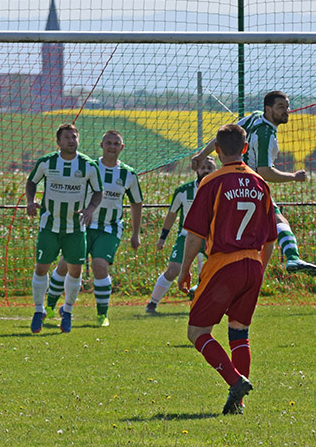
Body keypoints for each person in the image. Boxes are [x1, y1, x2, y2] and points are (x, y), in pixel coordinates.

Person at [178, 123, 277, 415]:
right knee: (239, 331)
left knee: (197, 332)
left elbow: (195, 234)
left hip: (224, 264)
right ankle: (238, 403)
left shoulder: (211, 182)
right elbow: (271, 239)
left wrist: (185, 270)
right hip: (253, 263)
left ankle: (235, 382)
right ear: (245, 148)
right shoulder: (261, 183)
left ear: (218, 150)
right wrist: (259, 269)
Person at [191, 90, 316, 276]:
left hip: (229, 179)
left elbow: (224, 136)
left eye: (287, 107)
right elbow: (264, 172)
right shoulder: (267, 136)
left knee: (221, 230)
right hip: (250, 184)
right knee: (276, 223)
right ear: (268, 109)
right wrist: (294, 176)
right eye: (280, 107)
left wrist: (201, 155)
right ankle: (289, 258)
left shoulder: (255, 117)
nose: (286, 111)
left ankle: (211, 274)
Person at [49, 130, 143, 327]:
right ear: (101, 145)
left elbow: (136, 203)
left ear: (121, 148)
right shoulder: (89, 167)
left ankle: (102, 314)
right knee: (65, 264)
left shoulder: (128, 174)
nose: (112, 147)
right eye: (108, 143)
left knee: (99, 265)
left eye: (116, 143)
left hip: (109, 228)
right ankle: (49, 307)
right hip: (82, 225)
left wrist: (136, 234)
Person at [26, 123, 103, 334]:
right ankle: (38, 310)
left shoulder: (88, 165)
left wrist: (90, 209)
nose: (72, 141)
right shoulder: (47, 162)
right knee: (41, 267)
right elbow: (31, 182)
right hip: (49, 226)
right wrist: (30, 201)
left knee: (75, 270)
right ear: (58, 141)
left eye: (74, 137)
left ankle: (67, 310)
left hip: (75, 228)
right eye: (67, 137)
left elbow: (98, 191)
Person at [145, 156, 217, 314]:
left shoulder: (221, 190)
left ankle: (215, 305)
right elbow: (171, 215)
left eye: (209, 168)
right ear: (196, 170)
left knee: (219, 271)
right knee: (173, 270)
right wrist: (162, 238)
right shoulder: (183, 191)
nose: (206, 171)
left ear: (215, 170)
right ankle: (152, 304)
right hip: (187, 237)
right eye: (203, 167)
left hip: (212, 239)